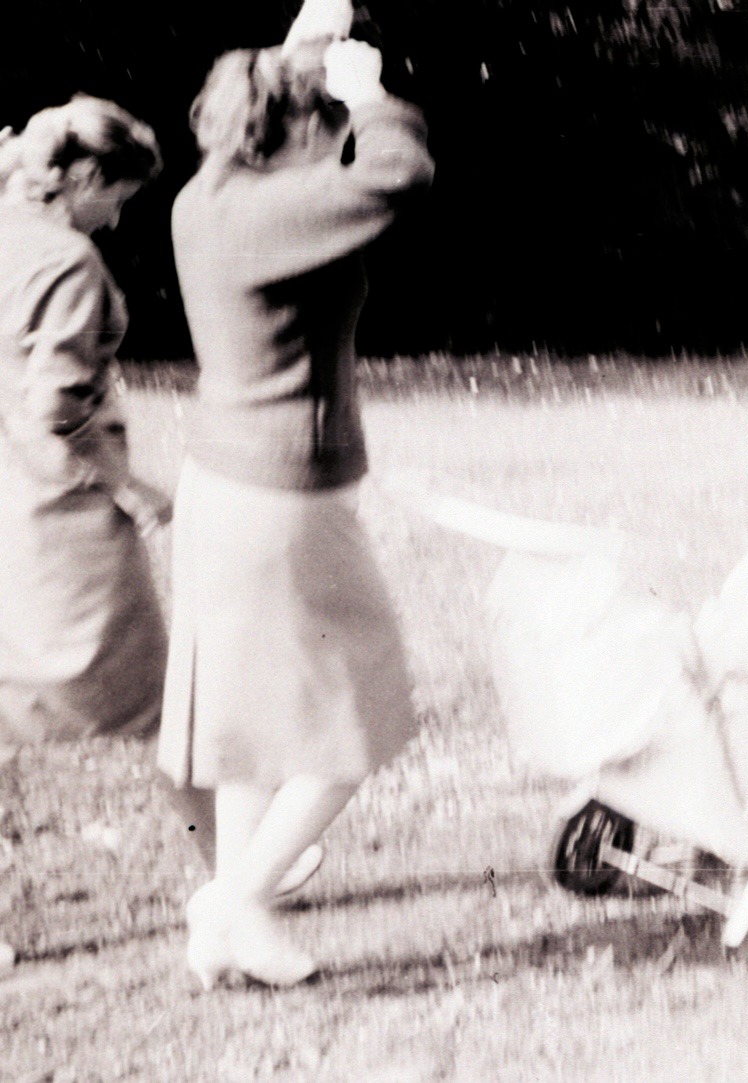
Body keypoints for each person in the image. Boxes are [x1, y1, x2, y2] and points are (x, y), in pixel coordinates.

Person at [159, 10, 434, 988]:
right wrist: (369, 94)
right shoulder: (276, 215)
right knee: (356, 716)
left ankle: (237, 925)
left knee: (252, 731)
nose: (337, 139)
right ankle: (234, 902)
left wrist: (305, 46)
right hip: (283, 502)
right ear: (297, 127)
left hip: (225, 491)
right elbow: (398, 171)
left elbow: (278, 105)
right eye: (326, 124)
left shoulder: (210, 197)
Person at [0, 95, 173, 965]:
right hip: (60, 511)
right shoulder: (68, 261)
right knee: (163, 699)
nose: (118, 218)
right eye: (118, 197)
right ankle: (241, 869)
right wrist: (131, 487)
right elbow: (57, 404)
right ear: (86, 178)